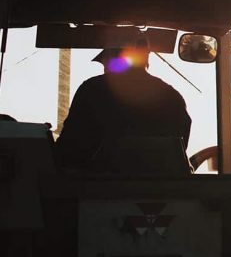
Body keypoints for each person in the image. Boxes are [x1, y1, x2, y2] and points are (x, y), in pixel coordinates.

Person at [55, 39, 192, 169]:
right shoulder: (172, 96)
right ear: (145, 58)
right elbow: (178, 151)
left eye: (105, 62)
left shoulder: (92, 89)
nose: (105, 68)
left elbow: (68, 149)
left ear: (112, 59)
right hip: (163, 189)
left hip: (96, 188)